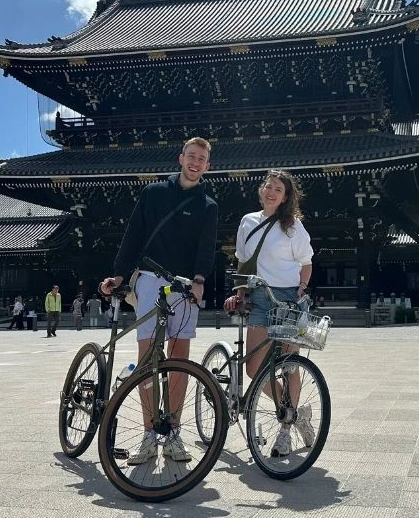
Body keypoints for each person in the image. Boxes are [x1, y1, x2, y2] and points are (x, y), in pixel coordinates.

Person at [100, 137, 218, 464]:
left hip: (184, 285)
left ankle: (174, 432)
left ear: (207, 166)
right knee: (148, 357)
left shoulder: (208, 205)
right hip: (151, 278)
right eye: (191, 156)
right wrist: (119, 276)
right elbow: (133, 236)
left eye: (201, 159)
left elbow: (206, 247)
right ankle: (150, 433)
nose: (195, 162)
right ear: (181, 158)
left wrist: (199, 281)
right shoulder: (152, 194)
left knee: (179, 358)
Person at [224, 169, 315, 457]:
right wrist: (240, 294)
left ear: (286, 197)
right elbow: (243, 262)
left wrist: (301, 289)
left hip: (288, 298)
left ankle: (285, 430)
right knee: (254, 368)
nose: (272, 192)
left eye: (278, 189)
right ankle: (294, 412)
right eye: (269, 186)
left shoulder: (293, 226)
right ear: (261, 190)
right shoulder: (248, 221)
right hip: (259, 297)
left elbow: (306, 262)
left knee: (290, 365)